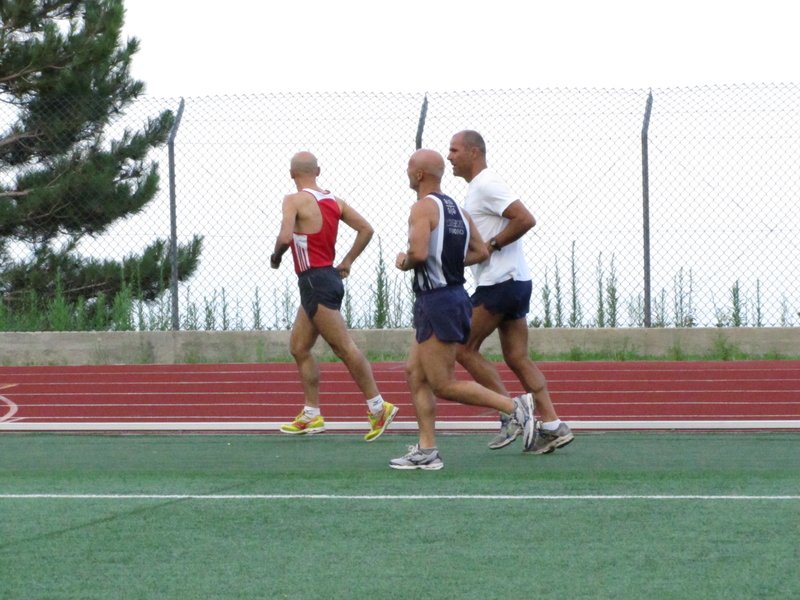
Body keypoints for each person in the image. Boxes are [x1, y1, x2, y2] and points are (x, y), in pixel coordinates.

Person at [389, 149, 535, 470]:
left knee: (442, 383)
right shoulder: (458, 209)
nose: (406, 172)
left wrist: (404, 261)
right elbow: (481, 251)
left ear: (419, 175)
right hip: (453, 295)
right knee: (415, 372)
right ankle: (427, 451)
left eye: (409, 168)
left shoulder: (422, 207)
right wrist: (450, 261)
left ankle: (514, 407)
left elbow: (418, 251)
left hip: (436, 299)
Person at [447, 130, 574, 455]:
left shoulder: (487, 184)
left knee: (463, 348)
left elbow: (525, 219)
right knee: (517, 356)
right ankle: (552, 425)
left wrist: (491, 245)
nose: (449, 157)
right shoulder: (478, 188)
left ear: (474, 153)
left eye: (455, 150)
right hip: (515, 281)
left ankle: (511, 413)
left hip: (500, 282)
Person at [270, 151, 397, 442]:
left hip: (314, 279)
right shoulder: (334, 201)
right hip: (326, 277)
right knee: (299, 347)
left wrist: (275, 258)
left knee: (344, 347)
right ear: (318, 170)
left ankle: (378, 407)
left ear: (291, 174)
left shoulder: (293, 199)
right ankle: (311, 415)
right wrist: (348, 260)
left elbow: (285, 238)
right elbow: (366, 229)